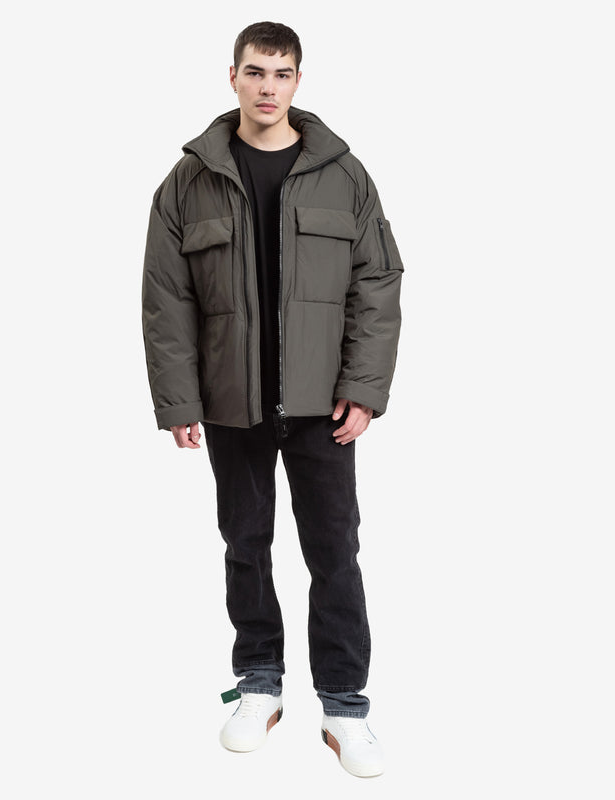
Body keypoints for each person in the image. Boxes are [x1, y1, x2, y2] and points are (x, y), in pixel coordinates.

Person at [141, 21, 403, 778]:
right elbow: (166, 297)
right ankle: (258, 684)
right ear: (232, 77)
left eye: (281, 74)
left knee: (334, 550)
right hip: (232, 401)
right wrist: (179, 399)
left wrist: (363, 389)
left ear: (297, 81)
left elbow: (378, 283)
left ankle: (345, 705)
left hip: (323, 404)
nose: (267, 87)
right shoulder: (188, 180)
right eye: (255, 72)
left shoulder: (343, 174)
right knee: (245, 545)